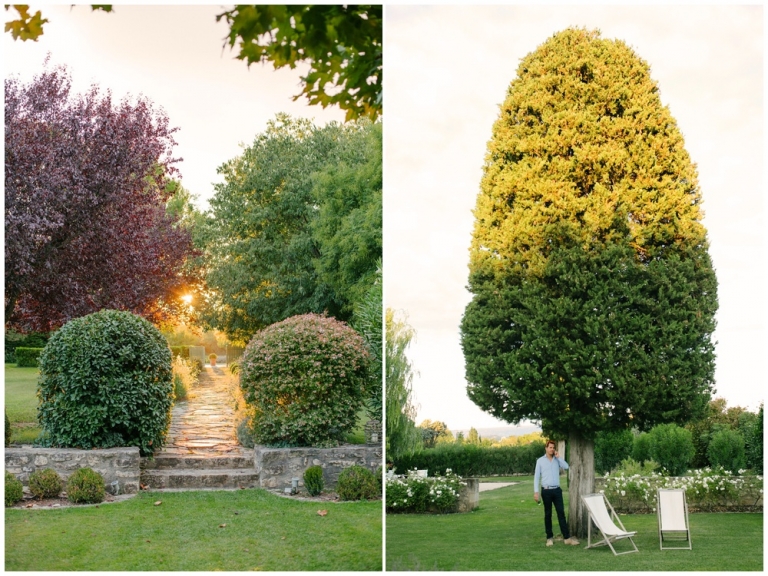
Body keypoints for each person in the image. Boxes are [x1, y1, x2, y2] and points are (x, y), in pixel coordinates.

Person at [533, 440, 580, 547]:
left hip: (557, 490)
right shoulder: (540, 461)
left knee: (561, 513)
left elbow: (567, 466)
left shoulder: (557, 460)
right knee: (548, 514)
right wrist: (536, 492)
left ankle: (567, 538)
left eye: (553, 447)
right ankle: (549, 538)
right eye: (550, 447)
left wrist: (559, 457)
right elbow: (536, 477)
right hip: (546, 490)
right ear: (546, 448)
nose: (552, 449)